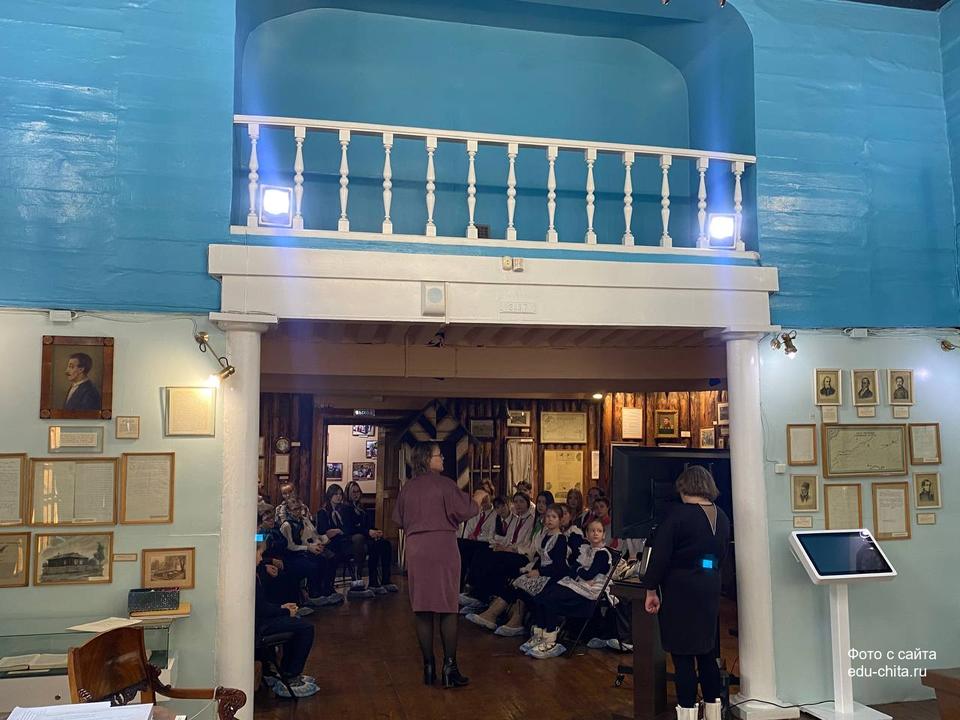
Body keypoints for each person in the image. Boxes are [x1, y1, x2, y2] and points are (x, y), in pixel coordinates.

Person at [393, 442, 487, 688]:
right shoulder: (445, 484)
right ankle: (449, 668)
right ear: (427, 459)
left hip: (416, 549)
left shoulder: (407, 488)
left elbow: (398, 521)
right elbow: (466, 510)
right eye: (439, 455)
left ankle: (428, 667)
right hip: (443, 547)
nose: (443, 458)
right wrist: (478, 496)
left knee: (422, 609)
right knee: (447, 608)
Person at [642, 466, 731, 720]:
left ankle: (688, 713)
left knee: (682, 657)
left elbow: (660, 557)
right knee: (707, 653)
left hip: (680, 590)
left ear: (684, 487)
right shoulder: (722, 516)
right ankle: (713, 713)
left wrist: (651, 588)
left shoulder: (677, 516)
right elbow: (722, 555)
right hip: (710, 586)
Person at [524, 519, 613, 659]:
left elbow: (589, 574)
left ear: (603, 535)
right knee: (542, 596)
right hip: (577, 584)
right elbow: (573, 571)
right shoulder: (585, 550)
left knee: (552, 598)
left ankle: (550, 639)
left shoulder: (602, 554)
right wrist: (580, 571)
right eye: (592, 530)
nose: (595, 533)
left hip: (590, 591)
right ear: (586, 534)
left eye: (599, 531)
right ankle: (540, 634)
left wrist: (580, 571)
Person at [255, 541, 319, 698]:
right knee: (306, 628)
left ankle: (286, 671)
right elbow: (260, 608)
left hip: (261, 619)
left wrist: (283, 607)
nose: (261, 559)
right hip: (259, 626)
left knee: (297, 622)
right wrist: (284, 611)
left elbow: (262, 604)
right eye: (259, 555)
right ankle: (291, 675)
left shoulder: (256, 571)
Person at [279, 497, 342, 607]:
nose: (298, 512)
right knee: (314, 563)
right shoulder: (287, 525)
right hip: (294, 554)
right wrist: (308, 548)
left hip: (308, 548)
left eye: (299, 508)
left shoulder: (304, 520)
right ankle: (314, 593)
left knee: (329, 558)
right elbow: (290, 546)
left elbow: (314, 534)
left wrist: (319, 543)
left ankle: (326, 590)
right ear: (288, 510)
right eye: (294, 509)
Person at [316, 483, 374, 599]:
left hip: (343, 540)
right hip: (331, 543)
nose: (339, 497)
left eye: (340, 494)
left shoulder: (343, 510)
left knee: (360, 544)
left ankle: (357, 579)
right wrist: (336, 531)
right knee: (343, 550)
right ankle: (329, 588)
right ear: (330, 495)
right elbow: (323, 531)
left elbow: (347, 528)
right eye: (336, 494)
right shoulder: (323, 511)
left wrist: (339, 531)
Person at [342, 480, 398, 594]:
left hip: (366, 536)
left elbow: (369, 525)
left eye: (358, 492)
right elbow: (350, 528)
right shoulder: (345, 509)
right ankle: (372, 581)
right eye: (353, 492)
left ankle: (385, 579)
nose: (356, 494)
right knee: (372, 545)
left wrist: (376, 532)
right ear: (348, 493)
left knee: (385, 544)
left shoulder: (362, 509)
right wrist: (368, 532)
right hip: (353, 539)